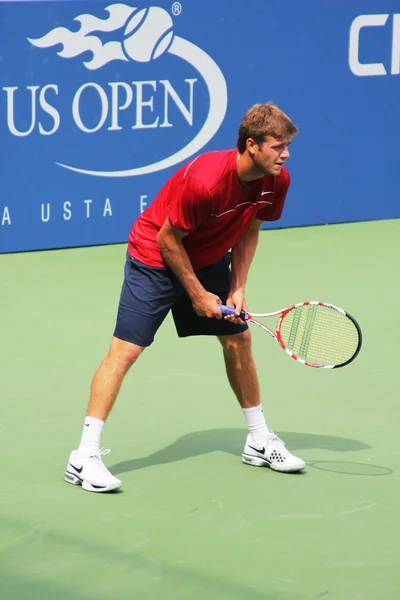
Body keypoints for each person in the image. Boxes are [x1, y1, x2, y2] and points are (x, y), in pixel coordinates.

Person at [64, 102, 306, 493]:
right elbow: (167, 238)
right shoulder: (207, 181)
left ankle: (258, 439)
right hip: (156, 256)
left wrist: (238, 285)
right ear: (251, 145)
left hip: (209, 258)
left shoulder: (277, 181)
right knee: (125, 351)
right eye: (278, 146)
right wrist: (197, 294)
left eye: (287, 146)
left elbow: (249, 230)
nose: (286, 154)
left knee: (239, 339)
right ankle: (84, 456)